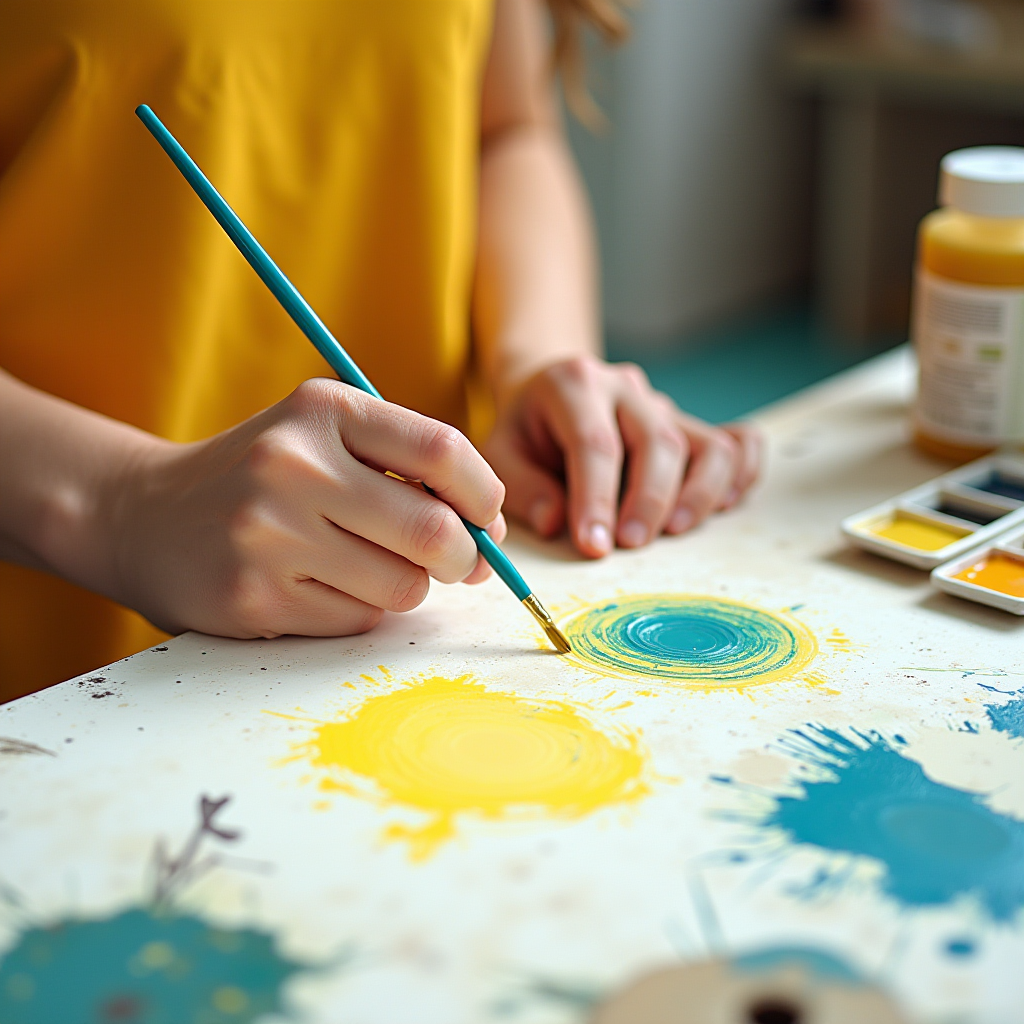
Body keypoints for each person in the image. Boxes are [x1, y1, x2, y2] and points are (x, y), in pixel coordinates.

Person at [0, 0, 761, 702]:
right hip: (65, 666)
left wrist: (534, 355)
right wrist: (122, 507)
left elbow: (505, 128)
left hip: (409, 613)